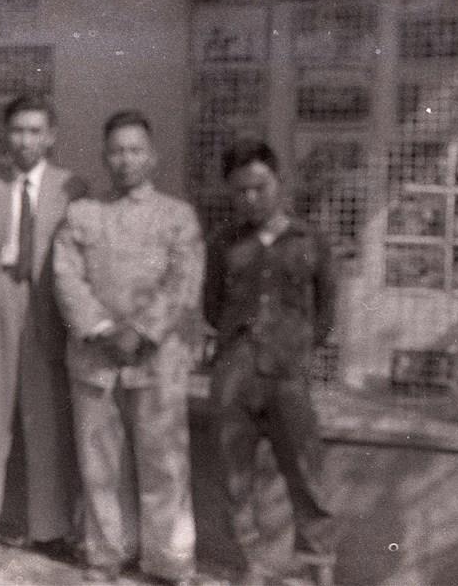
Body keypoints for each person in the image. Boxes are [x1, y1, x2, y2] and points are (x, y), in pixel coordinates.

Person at [52, 110, 204, 585]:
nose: (126, 160)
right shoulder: (82, 214)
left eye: (135, 150)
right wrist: (101, 328)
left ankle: (169, 561)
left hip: (156, 357)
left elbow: (183, 280)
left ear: (152, 157)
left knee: (164, 463)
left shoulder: (177, 216)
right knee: (100, 463)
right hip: (96, 356)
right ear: (104, 157)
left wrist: (141, 330)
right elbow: (66, 277)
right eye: (117, 151)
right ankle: (106, 555)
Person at [0, 94, 86, 558]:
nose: (25, 140)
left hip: (45, 303)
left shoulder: (71, 187)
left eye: (34, 131)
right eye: (17, 131)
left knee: (46, 416)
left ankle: (50, 529)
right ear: (6, 135)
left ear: (51, 137)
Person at [204, 140, 336, 585]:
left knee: (306, 472)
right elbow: (212, 307)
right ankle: (251, 566)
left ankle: (318, 566)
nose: (250, 198)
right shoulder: (223, 243)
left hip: (288, 376)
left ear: (279, 182)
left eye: (259, 187)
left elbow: (326, 312)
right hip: (234, 375)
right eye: (240, 191)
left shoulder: (310, 241)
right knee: (234, 477)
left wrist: (295, 347)